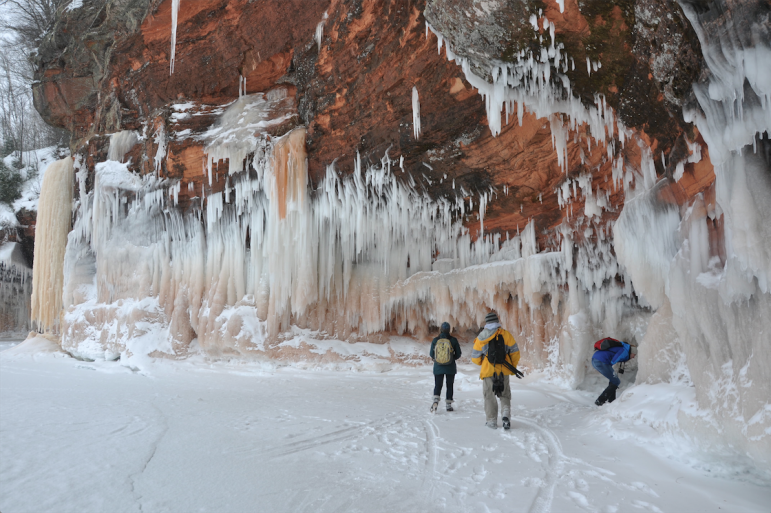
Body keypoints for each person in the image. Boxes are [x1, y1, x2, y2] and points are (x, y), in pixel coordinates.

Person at [471, 311, 522, 430]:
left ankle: (491, 421)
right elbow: (515, 353)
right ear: (497, 321)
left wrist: (482, 363)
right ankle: (505, 414)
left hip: (488, 371)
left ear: (487, 323)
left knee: (489, 395)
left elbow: (474, 358)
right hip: (504, 370)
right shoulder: (506, 335)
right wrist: (511, 366)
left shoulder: (481, 337)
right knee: (504, 394)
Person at [430, 322, 462, 412]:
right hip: (450, 367)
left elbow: (431, 354)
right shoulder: (453, 340)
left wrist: (436, 360)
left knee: (438, 385)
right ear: (449, 330)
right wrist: (452, 359)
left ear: (441, 329)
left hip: (438, 367)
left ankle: (435, 401)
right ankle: (448, 405)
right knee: (449, 385)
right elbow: (459, 354)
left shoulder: (435, 340)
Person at [592, 337, 634, 406]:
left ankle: (611, 401)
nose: (633, 357)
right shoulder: (624, 350)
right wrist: (610, 364)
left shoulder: (622, 349)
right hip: (601, 361)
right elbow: (614, 359)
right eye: (634, 355)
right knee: (616, 381)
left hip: (595, 360)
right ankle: (600, 401)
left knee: (613, 380)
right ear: (632, 351)